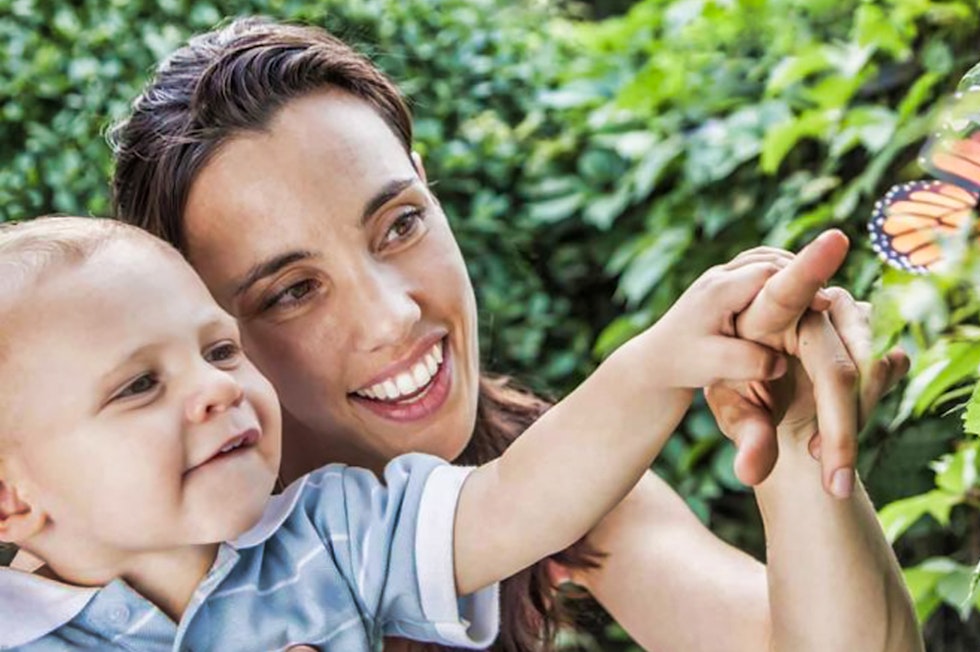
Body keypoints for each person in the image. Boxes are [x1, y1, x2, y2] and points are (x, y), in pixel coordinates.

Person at [108, 18, 920, 652]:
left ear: (430, 189)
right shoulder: (136, 559)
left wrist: (797, 435)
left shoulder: (559, 474)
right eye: (291, 291)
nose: (392, 315)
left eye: (399, 225)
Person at [0, 216, 816, 649]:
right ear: (12, 499)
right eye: (140, 385)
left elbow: (519, 499)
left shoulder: (337, 535)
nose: (217, 387)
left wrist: (657, 362)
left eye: (220, 350)